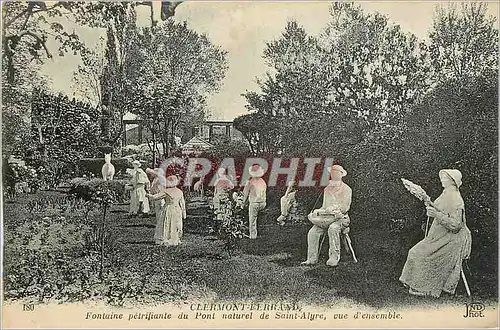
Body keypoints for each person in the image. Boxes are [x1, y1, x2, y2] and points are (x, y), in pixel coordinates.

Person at [399, 169, 472, 297]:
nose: (442, 180)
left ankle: (424, 287)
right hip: (440, 234)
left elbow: (455, 225)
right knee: (414, 251)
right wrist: (429, 204)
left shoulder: (456, 199)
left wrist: (436, 214)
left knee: (421, 255)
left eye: (445, 179)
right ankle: (415, 282)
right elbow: (439, 209)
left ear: (452, 182)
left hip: (452, 239)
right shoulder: (445, 194)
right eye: (442, 178)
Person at [302, 164, 352, 267]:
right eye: (332, 173)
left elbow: (345, 208)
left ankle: (334, 258)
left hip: (342, 219)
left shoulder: (347, 189)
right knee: (313, 232)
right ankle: (311, 259)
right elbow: (324, 206)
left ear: (341, 175)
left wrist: (333, 208)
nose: (333, 175)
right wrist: (317, 211)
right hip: (327, 218)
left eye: (336, 173)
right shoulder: (327, 189)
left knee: (333, 229)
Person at [147, 174, 187, 246]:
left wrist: (147, 195)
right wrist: (184, 214)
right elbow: (182, 204)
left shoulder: (166, 191)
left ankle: (165, 237)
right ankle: (175, 238)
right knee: (175, 223)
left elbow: (155, 197)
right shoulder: (179, 191)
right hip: (177, 209)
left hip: (168, 208)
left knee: (167, 222)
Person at [241, 164, 267, 239]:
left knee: (252, 220)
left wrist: (242, 204)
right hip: (263, 203)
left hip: (254, 203)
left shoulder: (250, 182)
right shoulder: (263, 181)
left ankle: (253, 236)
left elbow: (245, 194)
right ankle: (260, 231)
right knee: (258, 217)